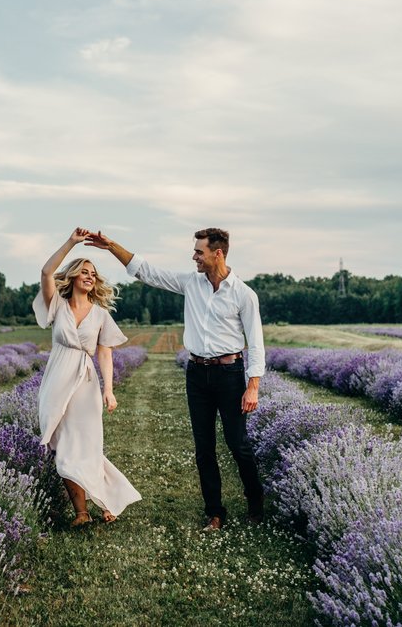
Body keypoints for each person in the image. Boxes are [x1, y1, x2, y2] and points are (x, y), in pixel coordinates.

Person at [87, 227, 264, 531]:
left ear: (217, 253)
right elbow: (147, 272)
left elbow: (256, 342)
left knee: (238, 444)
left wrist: (253, 387)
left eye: (199, 251)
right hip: (197, 374)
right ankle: (215, 512)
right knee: (204, 448)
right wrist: (110, 246)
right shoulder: (191, 283)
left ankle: (256, 503)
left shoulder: (244, 294)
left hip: (230, 374)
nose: (194, 256)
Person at [34, 228, 142, 527]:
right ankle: (81, 512)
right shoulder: (56, 304)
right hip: (57, 381)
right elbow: (46, 271)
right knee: (62, 447)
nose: (90, 276)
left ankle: (106, 501)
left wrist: (109, 390)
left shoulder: (100, 315)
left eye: (93, 272)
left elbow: (105, 354)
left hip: (85, 384)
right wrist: (71, 242)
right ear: (72, 276)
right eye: (84, 271)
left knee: (88, 447)